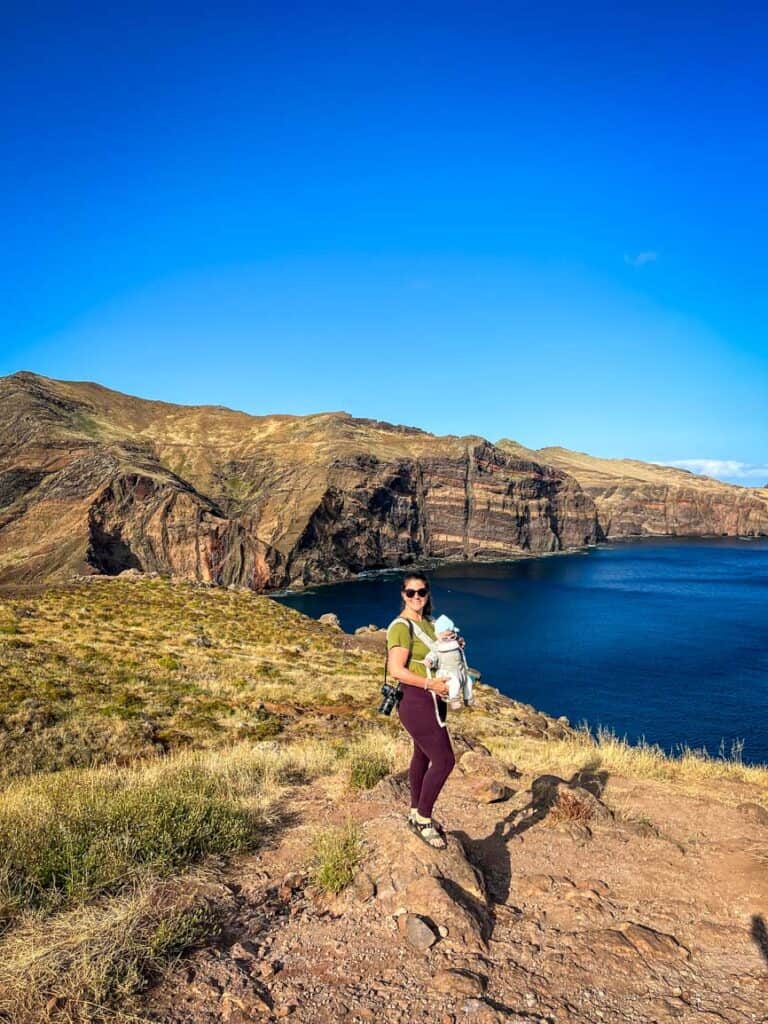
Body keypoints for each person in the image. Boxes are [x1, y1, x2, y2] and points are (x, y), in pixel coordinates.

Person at [386, 572, 456, 849]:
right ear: (403, 595)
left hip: (433, 698)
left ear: (428, 594)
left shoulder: (429, 625)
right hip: (416, 699)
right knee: (445, 760)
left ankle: (416, 810)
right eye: (411, 592)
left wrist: (453, 645)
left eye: (422, 592)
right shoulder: (401, 626)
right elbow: (396, 669)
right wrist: (429, 683)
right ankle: (424, 818)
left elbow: (436, 656)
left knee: (422, 755)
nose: (417, 597)